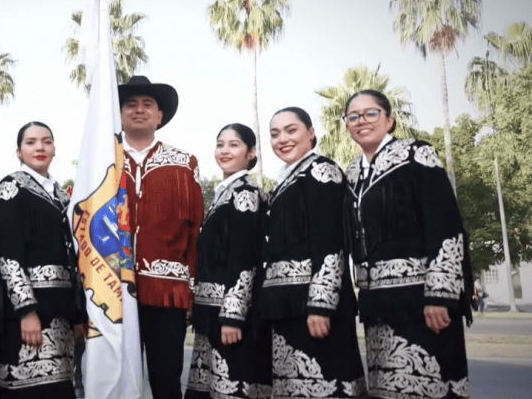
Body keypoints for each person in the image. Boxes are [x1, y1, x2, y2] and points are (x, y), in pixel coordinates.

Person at [342, 90, 473, 399]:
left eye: (371, 113)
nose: (362, 121)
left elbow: (445, 225)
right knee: (388, 391)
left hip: (421, 301)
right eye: (353, 116)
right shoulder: (352, 174)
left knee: (428, 387)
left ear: (389, 120)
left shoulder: (416, 155)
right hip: (376, 305)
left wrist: (439, 295)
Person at [260, 107, 366, 398]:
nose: (282, 139)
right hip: (287, 306)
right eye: (275, 134)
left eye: (291, 130)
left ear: (311, 133)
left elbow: (330, 241)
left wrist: (321, 304)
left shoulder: (321, 171)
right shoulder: (287, 179)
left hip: (313, 307)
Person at [118, 76, 204, 399]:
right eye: (131, 104)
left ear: (159, 116)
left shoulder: (184, 163)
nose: (139, 110)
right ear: (119, 114)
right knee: (114, 382)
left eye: (147, 104)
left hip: (168, 293)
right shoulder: (103, 162)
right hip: (112, 291)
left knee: (166, 382)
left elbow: (195, 230)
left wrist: (192, 290)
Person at [0, 122, 87, 399]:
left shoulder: (62, 197)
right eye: (31, 142)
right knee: (26, 387)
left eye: (46, 141)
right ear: (19, 152)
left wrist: (79, 312)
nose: (40, 147)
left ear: (54, 149)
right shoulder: (11, 188)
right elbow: (8, 255)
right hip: (29, 312)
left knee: (59, 387)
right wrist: (26, 311)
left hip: (62, 312)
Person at [185, 124, 272, 399]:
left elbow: (244, 258)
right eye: (220, 144)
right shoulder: (224, 193)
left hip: (230, 318)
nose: (225, 150)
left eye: (234, 145)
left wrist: (233, 316)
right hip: (211, 315)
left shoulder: (245, 194)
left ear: (251, 153)